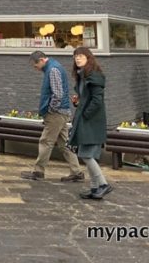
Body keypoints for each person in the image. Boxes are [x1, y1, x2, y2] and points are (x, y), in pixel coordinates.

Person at [21, 49, 84, 182]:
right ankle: (77, 172)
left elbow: (58, 94)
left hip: (56, 113)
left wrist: (51, 109)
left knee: (46, 141)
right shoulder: (54, 67)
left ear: (42, 60)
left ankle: (38, 171)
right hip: (62, 112)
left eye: (36, 65)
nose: (36, 68)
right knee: (65, 144)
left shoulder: (53, 70)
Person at [68, 47, 113, 200]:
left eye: (81, 56)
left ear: (89, 58)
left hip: (92, 121)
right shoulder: (83, 75)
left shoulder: (94, 76)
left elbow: (97, 100)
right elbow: (87, 98)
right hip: (86, 119)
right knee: (88, 154)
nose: (77, 59)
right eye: (75, 56)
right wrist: (78, 102)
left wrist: (86, 114)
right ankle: (94, 188)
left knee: (86, 154)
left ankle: (103, 184)